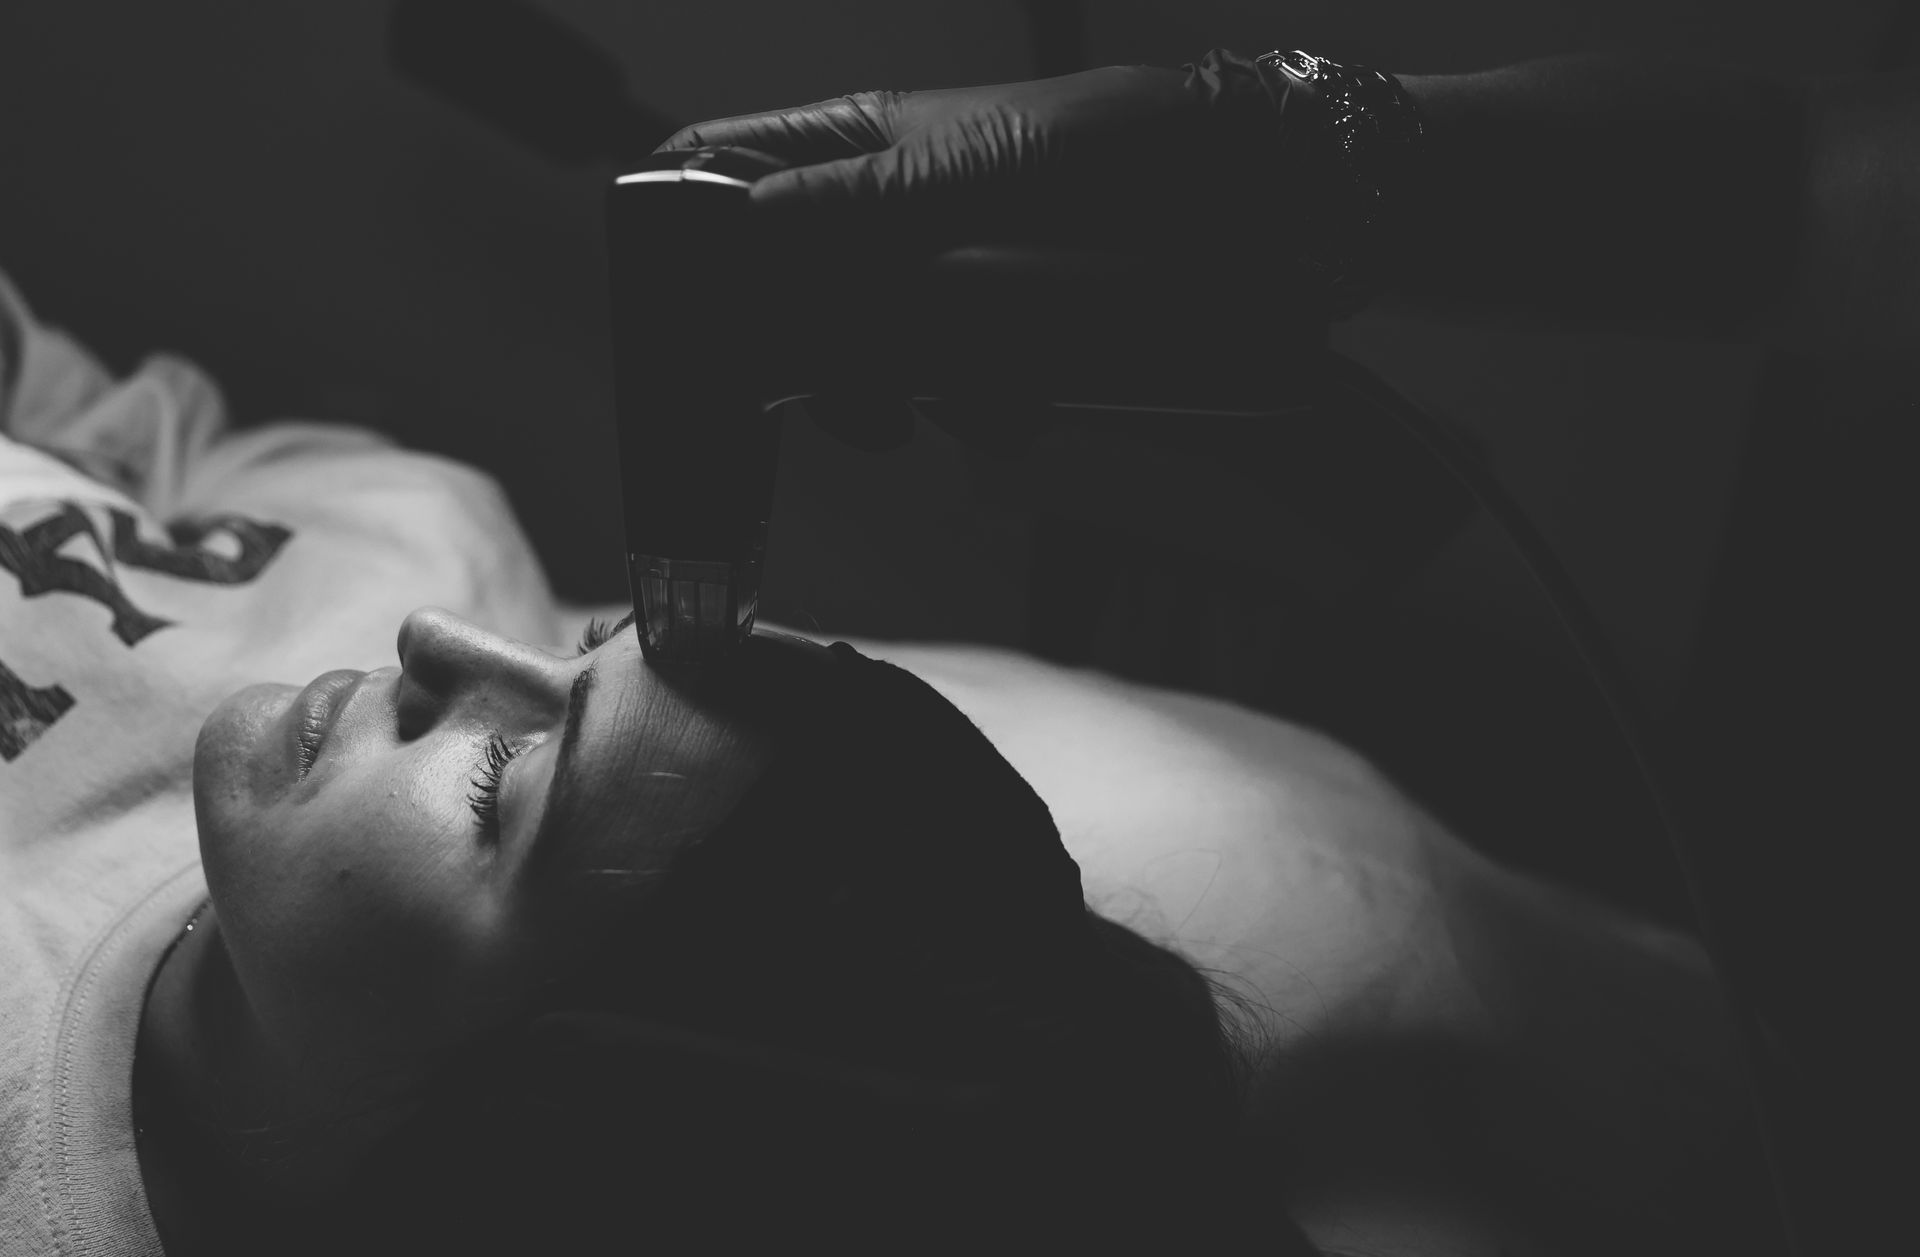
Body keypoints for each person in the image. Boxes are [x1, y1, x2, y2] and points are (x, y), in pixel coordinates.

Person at [0, 42, 1848, 1257]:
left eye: (499, 788)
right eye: (590, 641)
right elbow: (151, 438)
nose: (436, 633)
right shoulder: (431, 578)